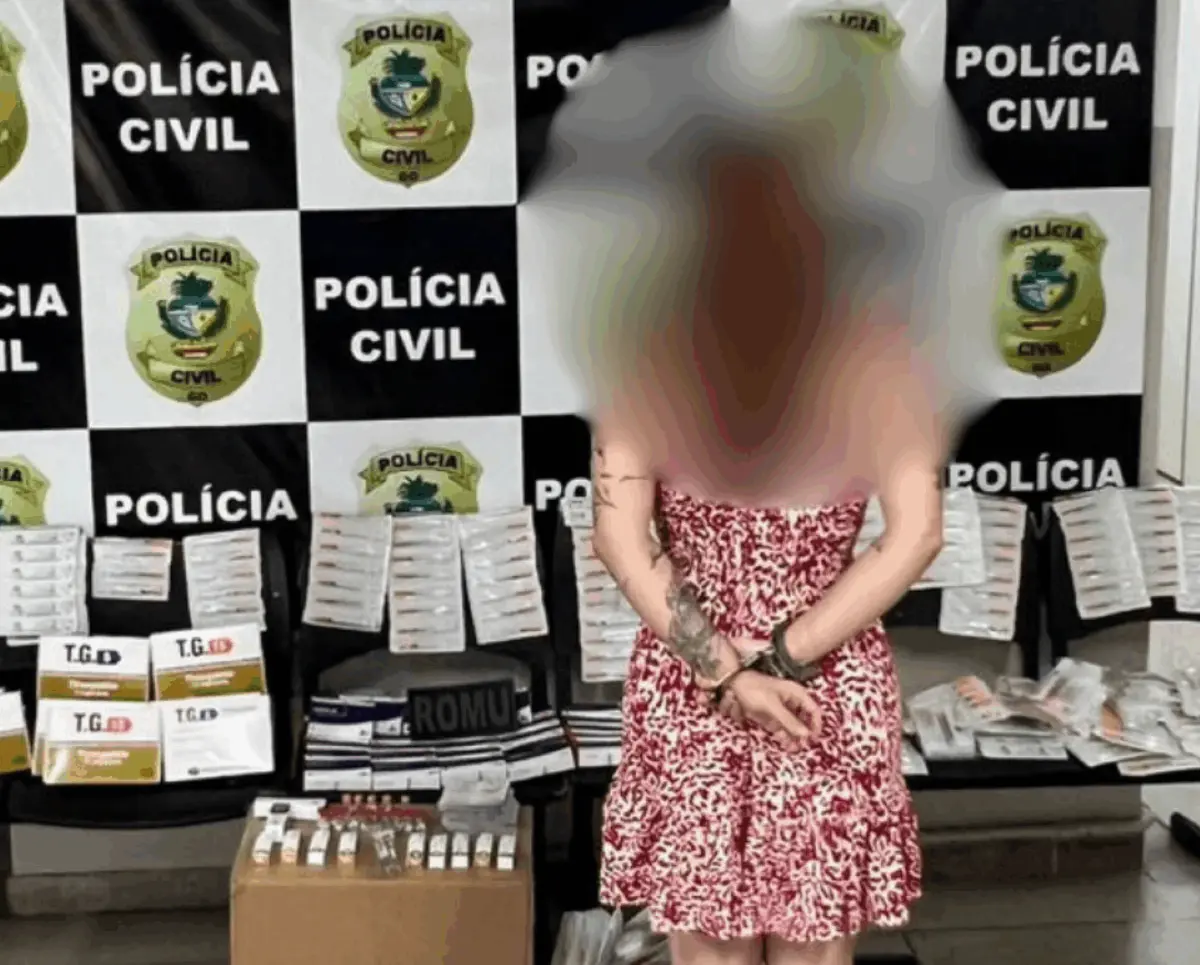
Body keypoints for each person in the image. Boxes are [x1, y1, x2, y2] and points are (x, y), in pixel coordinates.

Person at [590, 147, 946, 965]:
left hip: (698, 679)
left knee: (710, 949)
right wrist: (783, 657)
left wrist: (731, 672)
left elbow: (621, 538)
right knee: (815, 947)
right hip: (823, 678)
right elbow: (917, 533)